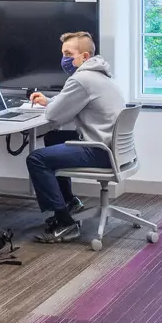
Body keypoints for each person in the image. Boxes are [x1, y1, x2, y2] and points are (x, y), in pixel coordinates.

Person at [26, 32, 124, 244]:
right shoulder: (101, 74)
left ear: (85, 56)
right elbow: (67, 106)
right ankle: (70, 201)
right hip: (112, 147)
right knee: (53, 138)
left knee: (37, 158)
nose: (64, 59)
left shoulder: (81, 79)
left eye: (69, 54)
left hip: (99, 150)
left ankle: (65, 223)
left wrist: (50, 106)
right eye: (63, 54)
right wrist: (50, 101)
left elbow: (54, 115)